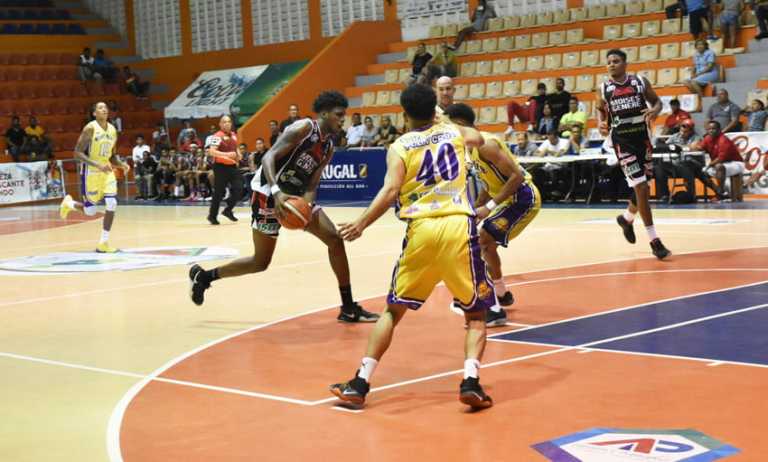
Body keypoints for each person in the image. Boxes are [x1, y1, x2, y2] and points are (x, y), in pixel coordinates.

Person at [329, 84, 494, 409]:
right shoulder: (456, 132)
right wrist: (443, 118)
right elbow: (480, 138)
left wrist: (361, 224)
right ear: (435, 109)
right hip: (458, 226)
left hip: (421, 230)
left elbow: (391, 191)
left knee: (393, 310)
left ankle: (360, 383)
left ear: (404, 114)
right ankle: (471, 381)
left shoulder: (400, 145)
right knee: (476, 314)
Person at [189, 91, 378, 324]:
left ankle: (348, 307)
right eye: (339, 115)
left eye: (344, 115)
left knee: (335, 240)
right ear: (325, 113)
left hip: (295, 196)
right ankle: (205, 277)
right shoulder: (303, 128)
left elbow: (312, 183)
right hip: (268, 193)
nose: (343, 120)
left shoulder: (328, 147)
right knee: (261, 262)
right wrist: (278, 194)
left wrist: (305, 208)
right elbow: (268, 158)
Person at [446, 103, 540, 326]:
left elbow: (516, 177)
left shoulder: (486, 144)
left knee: (482, 242)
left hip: (523, 197)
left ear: (459, 124)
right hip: (507, 200)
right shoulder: (470, 149)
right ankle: (501, 294)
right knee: (488, 246)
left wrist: (488, 207)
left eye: (449, 125)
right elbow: (491, 182)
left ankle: (492, 309)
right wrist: (476, 207)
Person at [596, 49, 671, 259]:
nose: (611, 64)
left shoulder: (639, 81)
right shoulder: (603, 88)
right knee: (641, 186)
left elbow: (657, 102)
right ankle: (655, 241)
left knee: (643, 188)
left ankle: (627, 219)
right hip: (622, 142)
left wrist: (655, 111)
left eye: (616, 61)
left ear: (625, 63)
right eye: (608, 61)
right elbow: (600, 109)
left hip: (643, 138)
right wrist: (600, 122)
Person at [59, 102, 130, 253]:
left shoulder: (112, 130)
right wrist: (97, 165)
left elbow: (112, 156)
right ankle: (69, 203)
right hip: (90, 172)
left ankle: (103, 243)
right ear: (94, 113)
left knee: (112, 203)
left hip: (106, 172)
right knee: (90, 211)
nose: (104, 110)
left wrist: (121, 164)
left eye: (105, 108)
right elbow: (77, 153)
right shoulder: (90, 128)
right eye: (100, 108)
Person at [692, 120, 746, 200]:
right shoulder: (707, 138)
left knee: (719, 166)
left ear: (719, 129)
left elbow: (721, 158)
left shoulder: (723, 140)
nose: (711, 130)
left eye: (713, 129)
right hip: (720, 164)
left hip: (736, 163)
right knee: (699, 171)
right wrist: (693, 147)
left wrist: (709, 165)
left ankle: (720, 194)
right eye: (709, 129)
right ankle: (719, 191)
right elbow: (700, 148)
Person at [206, 115, 243, 225]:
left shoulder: (233, 135)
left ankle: (228, 210)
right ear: (220, 124)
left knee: (239, 188)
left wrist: (239, 154)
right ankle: (212, 216)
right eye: (224, 122)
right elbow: (212, 151)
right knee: (219, 193)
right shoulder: (217, 136)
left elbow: (235, 147)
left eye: (228, 121)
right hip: (220, 168)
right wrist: (227, 154)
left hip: (232, 167)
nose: (227, 123)